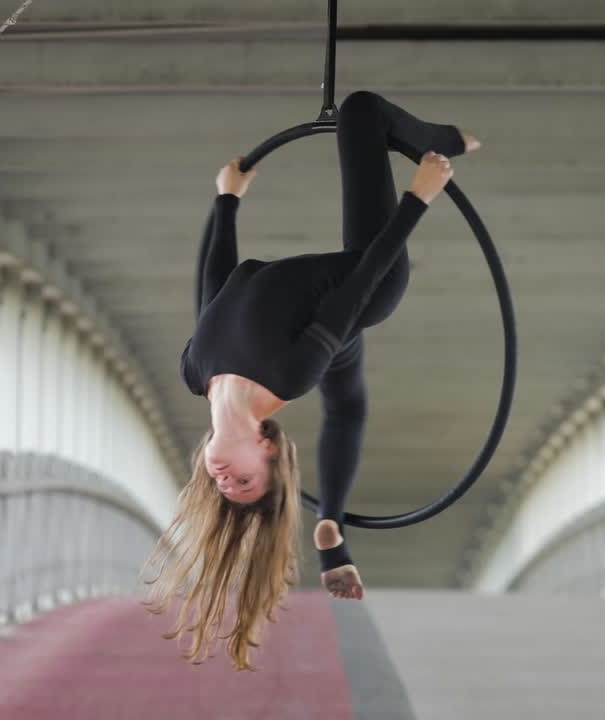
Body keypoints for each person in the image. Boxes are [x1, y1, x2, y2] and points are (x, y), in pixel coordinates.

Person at [145, 90, 479, 670]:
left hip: (321, 327)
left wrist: (227, 202)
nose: (226, 480)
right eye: (246, 483)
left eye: (222, 488)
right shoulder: (289, 378)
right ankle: (446, 138)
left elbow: (217, 294)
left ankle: (330, 524)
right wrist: (417, 200)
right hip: (366, 278)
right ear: (267, 447)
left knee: (347, 397)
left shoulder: (194, 374)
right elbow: (354, 293)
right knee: (360, 111)